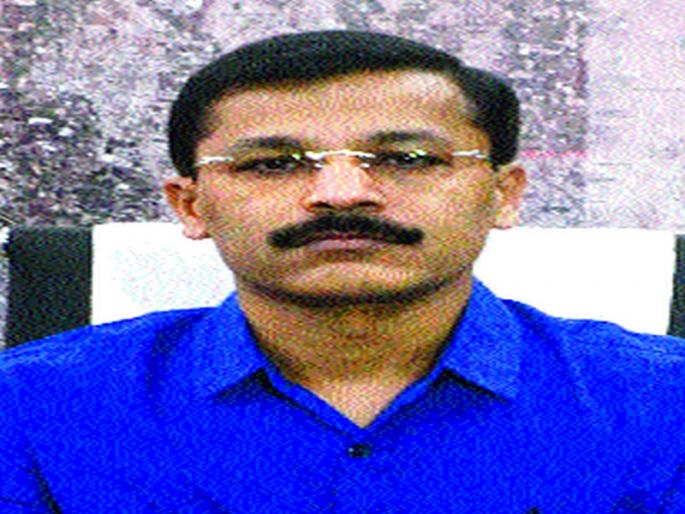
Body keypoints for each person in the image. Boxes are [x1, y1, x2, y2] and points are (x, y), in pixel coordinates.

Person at [1, 30, 684, 514]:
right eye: (273, 163)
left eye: (407, 159)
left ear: (503, 195)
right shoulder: (32, 406)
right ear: (190, 204)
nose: (342, 194)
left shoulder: (662, 404)